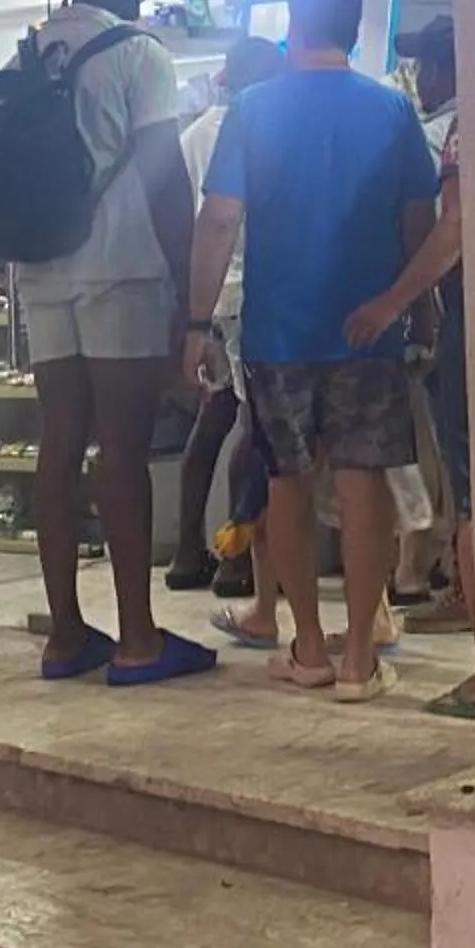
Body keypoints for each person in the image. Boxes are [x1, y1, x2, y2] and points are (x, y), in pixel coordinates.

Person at [184, 0, 439, 702]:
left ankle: (307, 645)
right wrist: (419, 310)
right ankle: (359, 656)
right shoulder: (393, 111)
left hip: (278, 329)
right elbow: (415, 223)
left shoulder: (253, 110)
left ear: (294, 26)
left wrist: (197, 324)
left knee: (286, 481)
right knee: (365, 485)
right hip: (370, 330)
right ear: (356, 32)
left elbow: (219, 220)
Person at [17, 0, 209, 686]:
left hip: (41, 271)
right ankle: (137, 637)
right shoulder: (139, 55)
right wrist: (191, 293)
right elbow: (165, 178)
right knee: (122, 447)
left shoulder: (31, 52)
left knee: (59, 443)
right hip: (122, 271)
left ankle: (66, 635)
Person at [350, 14, 475, 718]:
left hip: (469, 319)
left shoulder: (450, 133)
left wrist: (396, 299)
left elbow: (449, 228)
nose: (423, 81)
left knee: (473, 491)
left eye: (430, 66)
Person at [169, 37, 285, 589]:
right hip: (246, 290)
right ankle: (239, 557)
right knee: (254, 424)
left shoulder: (191, 135)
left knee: (213, 421)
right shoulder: (256, 125)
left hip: (206, 294)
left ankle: (187, 550)